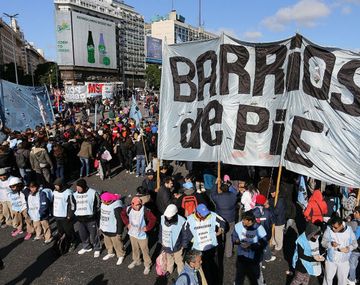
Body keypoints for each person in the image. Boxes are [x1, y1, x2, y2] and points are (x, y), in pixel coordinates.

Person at [184, 203, 225, 285]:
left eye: (206, 214)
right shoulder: (190, 219)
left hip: (212, 247)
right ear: (197, 213)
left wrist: (221, 229)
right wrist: (193, 240)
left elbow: (222, 222)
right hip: (199, 250)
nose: (205, 216)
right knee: (203, 272)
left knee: (215, 268)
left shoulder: (212, 215)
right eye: (203, 215)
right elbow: (185, 231)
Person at [121, 196, 156, 275]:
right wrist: (127, 223)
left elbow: (153, 219)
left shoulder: (145, 210)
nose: (139, 206)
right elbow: (122, 214)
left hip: (142, 235)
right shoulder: (128, 209)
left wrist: (147, 228)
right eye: (137, 205)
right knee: (135, 248)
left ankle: (147, 265)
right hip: (132, 233)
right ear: (132, 204)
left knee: (145, 250)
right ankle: (136, 260)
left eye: (139, 204)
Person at [232, 210, 267, 285]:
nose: (245, 224)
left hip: (255, 257)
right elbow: (234, 237)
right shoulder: (238, 226)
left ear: (252, 221)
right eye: (244, 221)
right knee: (240, 273)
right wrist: (237, 241)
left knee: (257, 275)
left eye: (248, 222)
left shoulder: (259, 228)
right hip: (242, 255)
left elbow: (264, 243)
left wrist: (251, 246)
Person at [321, 215, 358, 285]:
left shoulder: (349, 230)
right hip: (331, 260)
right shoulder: (329, 229)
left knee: (342, 281)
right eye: (332, 227)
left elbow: (355, 244)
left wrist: (348, 248)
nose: (333, 229)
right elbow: (323, 243)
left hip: (344, 261)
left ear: (341, 225)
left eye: (335, 227)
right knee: (327, 280)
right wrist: (330, 244)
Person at [73, 179, 101, 257]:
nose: (77, 189)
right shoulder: (75, 194)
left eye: (79, 187)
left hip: (90, 218)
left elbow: (98, 204)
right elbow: (73, 205)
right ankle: (86, 247)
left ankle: (97, 248)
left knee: (94, 234)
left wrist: (94, 213)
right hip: (80, 219)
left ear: (84, 186)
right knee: (83, 234)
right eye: (77, 187)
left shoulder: (92, 192)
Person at [211, 182, 238, 258]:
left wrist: (216, 184)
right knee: (229, 236)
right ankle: (228, 253)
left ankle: (218, 252)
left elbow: (212, 194)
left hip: (220, 219)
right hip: (231, 219)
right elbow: (236, 192)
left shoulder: (218, 197)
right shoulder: (233, 196)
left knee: (218, 235)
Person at [99, 192, 126, 265]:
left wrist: (119, 232)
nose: (102, 201)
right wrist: (101, 226)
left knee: (117, 243)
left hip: (114, 229)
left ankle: (120, 255)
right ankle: (110, 252)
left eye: (103, 200)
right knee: (107, 242)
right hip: (105, 228)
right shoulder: (103, 204)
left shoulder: (117, 206)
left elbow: (120, 220)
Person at [159, 204, 186, 275]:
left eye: (170, 217)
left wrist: (184, 245)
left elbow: (185, 235)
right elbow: (161, 230)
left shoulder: (182, 221)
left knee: (179, 260)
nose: (168, 218)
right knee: (169, 259)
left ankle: (181, 273)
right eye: (167, 217)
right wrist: (161, 240)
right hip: (166, 245)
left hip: (177, 246)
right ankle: (169, 270)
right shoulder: (162, 218)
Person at [53, 178, 76, 250]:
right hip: (57, 215)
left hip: (65, 216)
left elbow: (72, 205)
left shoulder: (68, 192)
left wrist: (69, 215)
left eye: (57, 185)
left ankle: (73, 242)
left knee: (69, 231)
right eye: (55, 185)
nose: (56, 187)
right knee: (60, 231)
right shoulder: (55, 192)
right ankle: (64, 242)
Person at [252, 194, 275, 262]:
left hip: (255, 232)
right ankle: (267, 257)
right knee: (265, 245)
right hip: (265, 232)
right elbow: (273, 221)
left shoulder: (252, 211)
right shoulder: (267, 211)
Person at [347, 206, 360, 285]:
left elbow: (356, 236)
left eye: (356, 212)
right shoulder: (356, 221)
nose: (354, 214)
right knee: (356, 263)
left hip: (356, 247)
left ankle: (352, 279)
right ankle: (355, 278)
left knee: (352, 263)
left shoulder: (358, 223)